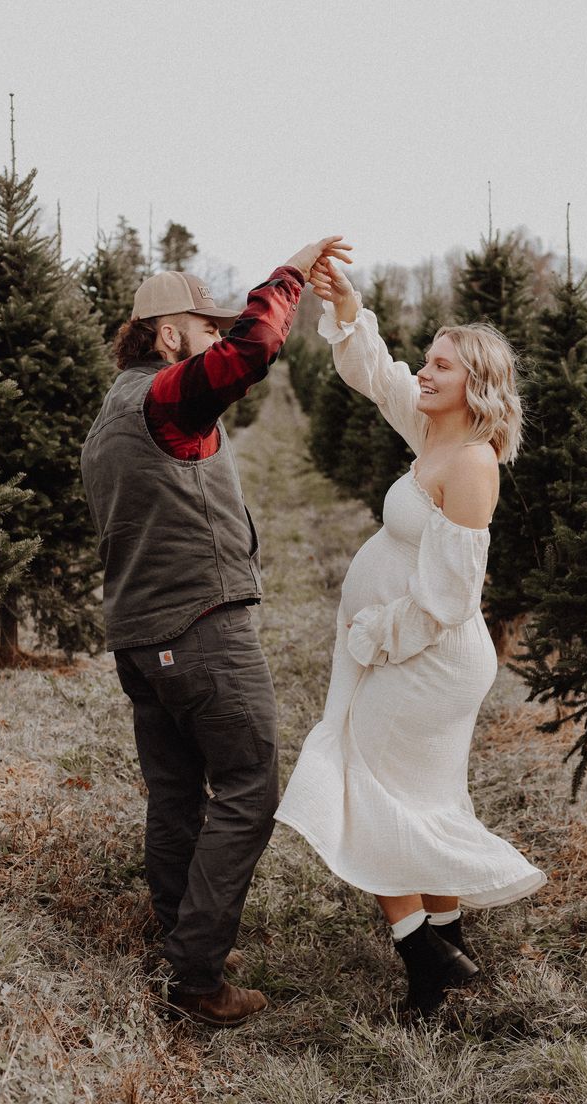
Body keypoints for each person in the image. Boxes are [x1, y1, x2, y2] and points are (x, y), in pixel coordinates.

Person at [81, 236, 351, 1027]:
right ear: (169, 334)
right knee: (248, 786)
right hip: (199, 626)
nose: (217, 340)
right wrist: (292, 274)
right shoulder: (166, 396)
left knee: (175, 795)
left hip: (139, 633)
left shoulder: (111, 412)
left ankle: (181, 934)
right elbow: (258, 346)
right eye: (205, 328)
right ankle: (196, 979)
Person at [275, 257, 546, 1018]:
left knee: (365, 779)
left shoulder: (470, 464)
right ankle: (452, 944)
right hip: (414, 650)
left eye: (441, 364)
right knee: (430, 796)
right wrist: (351, 309)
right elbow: (381, 376)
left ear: (476, 383)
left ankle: (422, 960)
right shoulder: (429, 432)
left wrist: (374, 636)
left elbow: (453, 599)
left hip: (430, 655)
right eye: (427, 358)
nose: (424, 372)